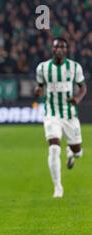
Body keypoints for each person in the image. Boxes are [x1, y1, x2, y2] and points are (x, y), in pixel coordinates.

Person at [35, 37, 87, 198]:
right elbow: (41, 87)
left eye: (62, 47)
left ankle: (72, 153)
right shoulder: (43, 68)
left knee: (78, 151)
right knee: (54, 147)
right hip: (52, 113)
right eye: (56, 47)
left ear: (66, 50)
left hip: (70, 115)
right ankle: (58, 187)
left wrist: (77, 99)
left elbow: (83, 87)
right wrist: (39, 91)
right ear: (52, 49)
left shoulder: (74, 67)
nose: (59, 49)